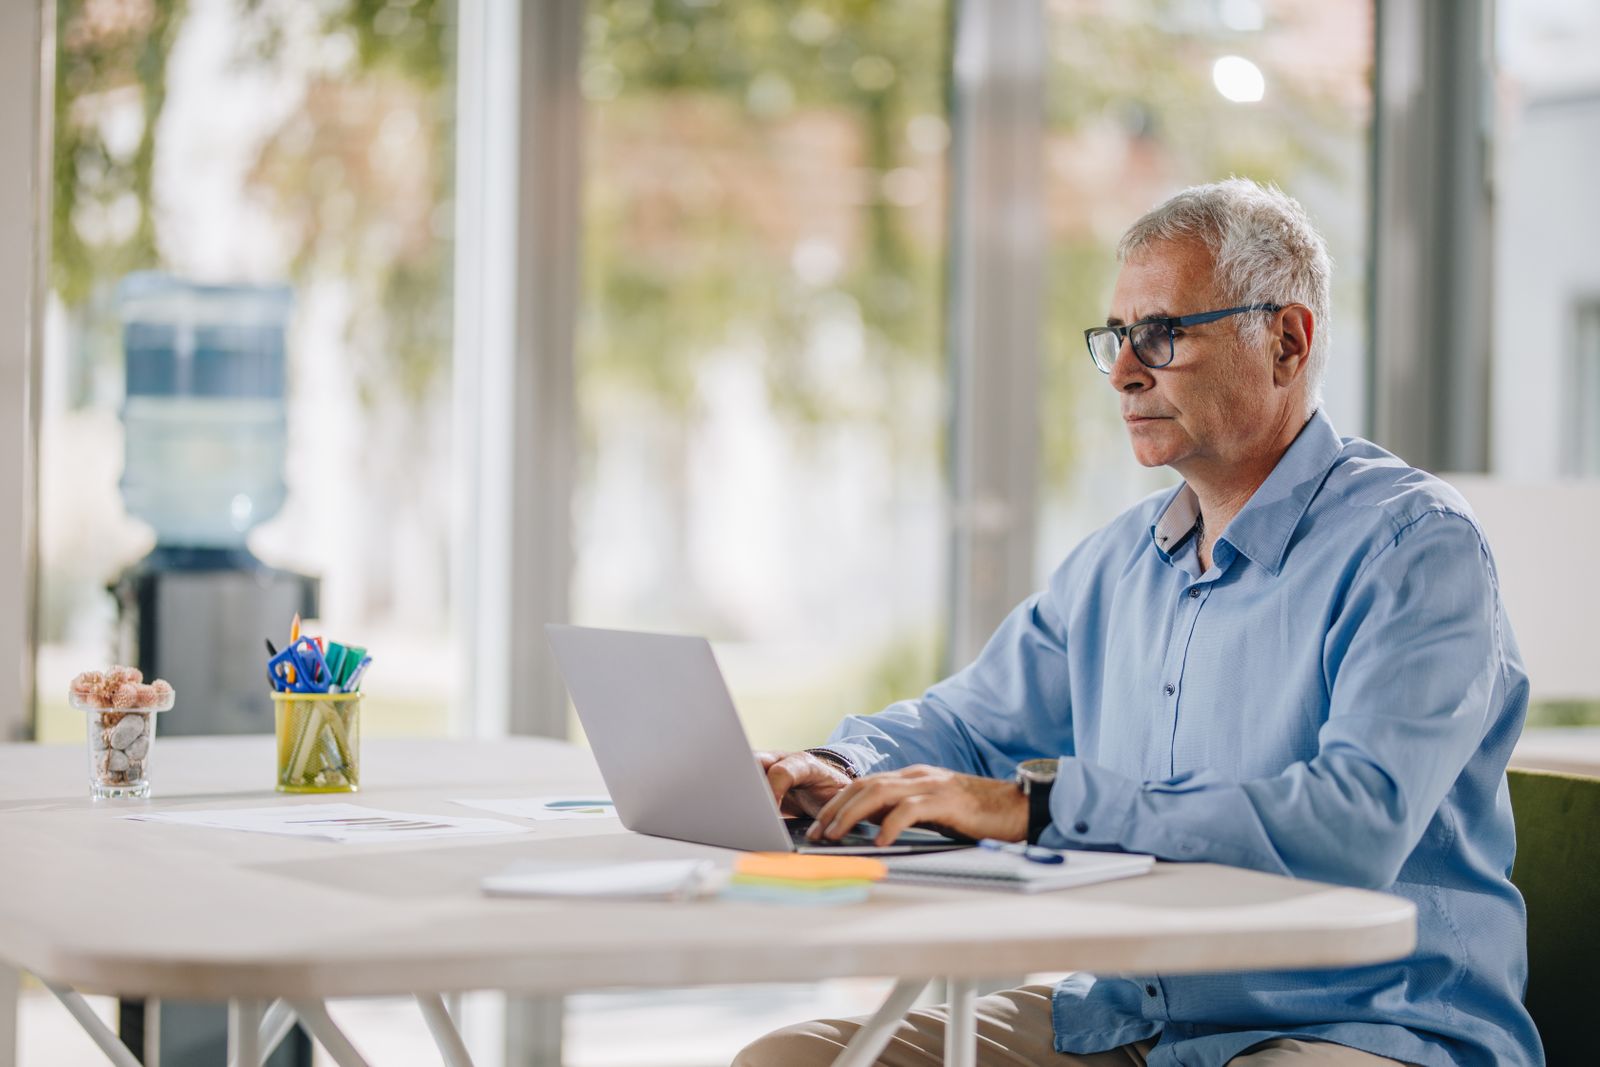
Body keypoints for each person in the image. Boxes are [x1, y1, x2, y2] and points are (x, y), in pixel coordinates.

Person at [736, 179, 1541, 1067]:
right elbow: (969, 722)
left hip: (1360, 1027)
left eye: (1160, 334)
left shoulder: (1414, 546)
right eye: (1116, 338)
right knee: (791, 1060)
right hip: (1133, 1020)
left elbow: (1351, 824)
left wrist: (1036, 807)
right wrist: (841, 765)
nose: (1124, 371)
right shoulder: (1119, 561)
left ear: (1286, 339)